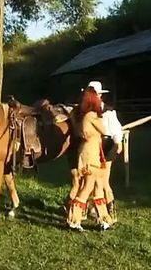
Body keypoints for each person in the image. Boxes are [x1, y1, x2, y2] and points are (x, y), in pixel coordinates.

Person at [67, 87, 113, 231]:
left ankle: (104, 220)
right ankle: (74, 219)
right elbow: (105, 130)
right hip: (91, 154)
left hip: (89, 152)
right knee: (87, 187)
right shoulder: (91, 116)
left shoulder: (82, 116)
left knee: (98, 187)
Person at [87, 81, 123, 222]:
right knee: (90, 180)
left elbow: (115, 130)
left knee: (103, 181)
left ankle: (109, 212)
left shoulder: (108, 111)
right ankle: (90, 209)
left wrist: (118, 143)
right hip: (92, 147)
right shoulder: (86, 111)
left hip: (105, 146)